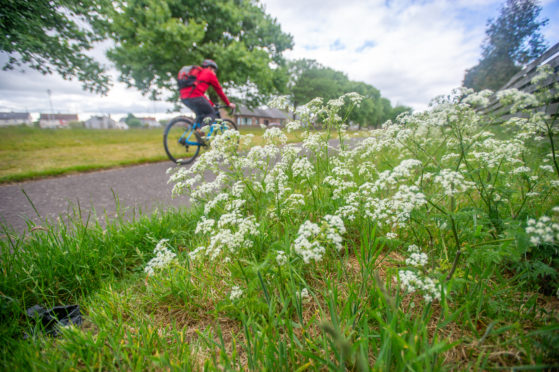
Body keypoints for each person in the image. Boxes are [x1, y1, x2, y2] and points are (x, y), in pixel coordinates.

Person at [180, 59, 236, 144]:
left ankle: (199, 137)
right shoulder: (209, 73)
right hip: (195, 96)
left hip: (184, 97)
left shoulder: (198, 74)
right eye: (214, 70)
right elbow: (219, 90)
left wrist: (211, 104)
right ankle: (201, 132)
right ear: (210, 67)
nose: (215, 73)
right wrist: (228, 103)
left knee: (201, 114)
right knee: (211, 113)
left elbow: (201, 95)